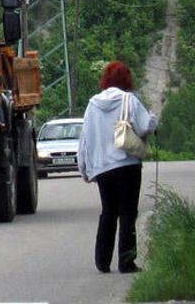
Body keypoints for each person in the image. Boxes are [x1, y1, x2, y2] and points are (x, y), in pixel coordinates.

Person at [77, 60, 157, 274]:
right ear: (126, 80)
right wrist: (153, 119)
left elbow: (85, 139)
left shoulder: (92, 104)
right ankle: (126, 262)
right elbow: (144, 126)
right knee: (128, 212)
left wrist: (84, 168)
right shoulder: (129, 100)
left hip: (103, 168)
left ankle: (102, 261)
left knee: (108, 211)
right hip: (127, 163)